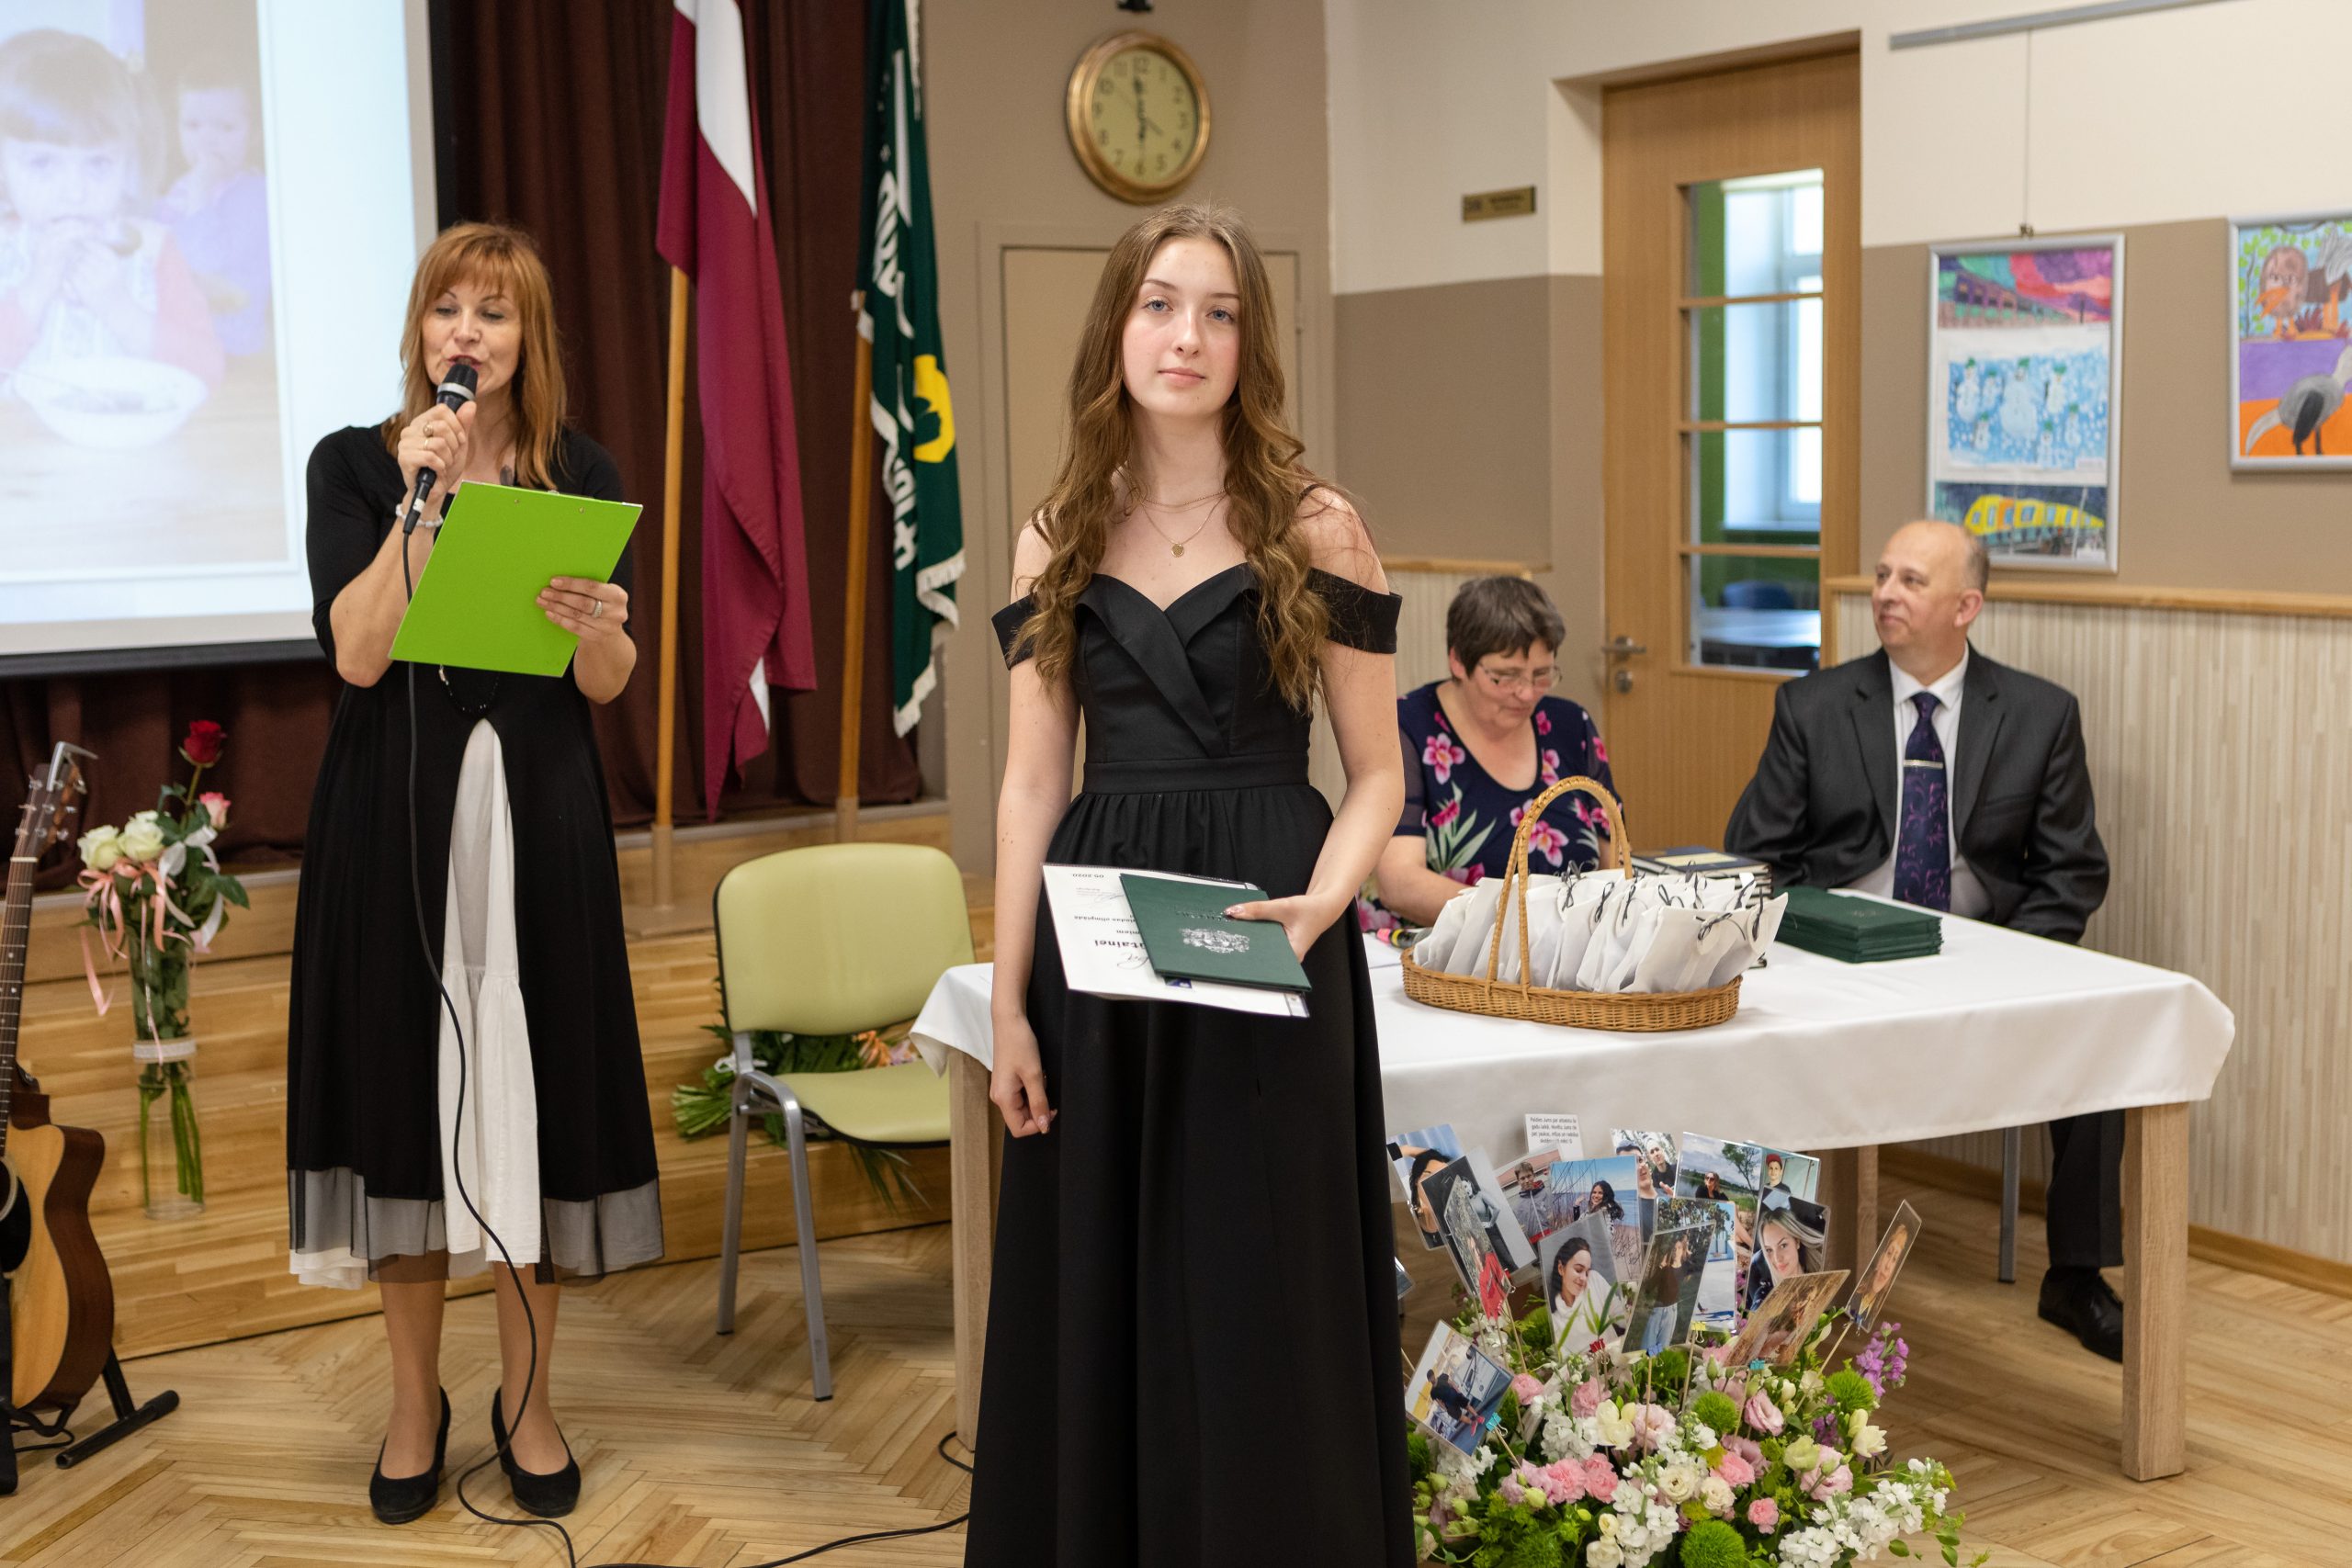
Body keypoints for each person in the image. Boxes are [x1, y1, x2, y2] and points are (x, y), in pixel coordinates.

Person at [968, 203, 1412, 1566]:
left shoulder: (1319, 525)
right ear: (1117, 327)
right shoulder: (1057, 533)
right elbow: (1031, 784)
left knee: (1258, 1267)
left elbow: (1379, 774)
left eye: (1220, 313)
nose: (1188, 336)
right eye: (1161, 304)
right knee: (1109, 1257)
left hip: (1271, 924)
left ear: (1249, 344)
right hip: (1100, 933)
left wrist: (1326, 903)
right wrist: (1010, 1005)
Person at [285, 222, 662, 1526]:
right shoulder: (355, 463)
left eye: (493, 314)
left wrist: (602, 628)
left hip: (535, 814)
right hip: (395, 818)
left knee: (532, 1097)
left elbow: (606, 682)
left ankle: (528, 1398)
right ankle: (414, 1405)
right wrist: (420, 504)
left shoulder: (579, 474)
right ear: (419, 330)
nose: (468, 333)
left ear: (526, 338)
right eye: (448, 309)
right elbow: (357, 653)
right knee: (404, 1095)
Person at [1726, 519, 2115, 1361]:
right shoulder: (1814, 705)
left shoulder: (2040, 714)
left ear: (1966, 606)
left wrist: (2010, 961)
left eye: (1911, 580)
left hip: (1983, 959)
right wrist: (1819, 940)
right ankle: (1759, 1268)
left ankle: (2075, 1276)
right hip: (1837, 960)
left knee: (2101, 1037)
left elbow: (2072, 873)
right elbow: (1757, 858)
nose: (1886, 594)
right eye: (1881, 576)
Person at [1359, 576, 1619, 939]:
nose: (1527, 693)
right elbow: (1400, 884)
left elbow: (1614, 860)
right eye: (1505, 677)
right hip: (1429, 949)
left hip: (1563, 948)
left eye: (1542, 675)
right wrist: (1524, 921)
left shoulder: (1571, 725)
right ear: (1458, 661)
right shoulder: (1408, 727)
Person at [0, 28, 221, 384]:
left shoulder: (153, 250)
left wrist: (120, 309)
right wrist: (34, 292)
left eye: (98, 164)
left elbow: (206, 368)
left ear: (127, 162)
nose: (75, 193)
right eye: (42, 163)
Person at [156, 50, 271, 355]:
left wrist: (200, 190)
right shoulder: (182, 188)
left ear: (254, 135)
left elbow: (207, 266)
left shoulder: (254, 194)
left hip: (231, 344)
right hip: (184, 335)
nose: (207, 139)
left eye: (226, 127)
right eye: (193, 126)